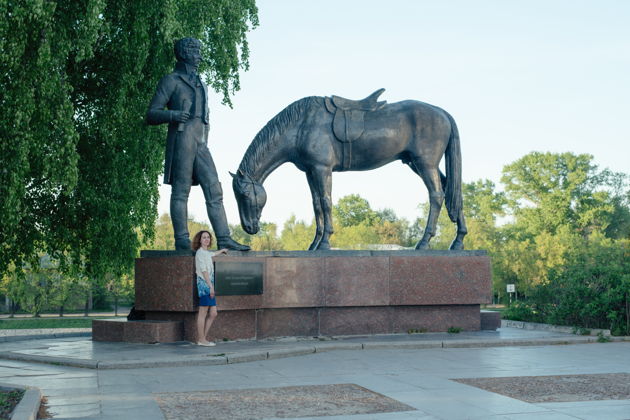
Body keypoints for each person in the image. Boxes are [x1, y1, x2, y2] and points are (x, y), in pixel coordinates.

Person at [146, 37, 250, 251]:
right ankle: (182, 240)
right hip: (182, 139)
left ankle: (224, 238)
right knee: (181, 191)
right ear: (183, 53)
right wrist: (174, 114)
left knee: (214, 189)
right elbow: (151, 114)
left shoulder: (201, 82)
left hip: (201, 143)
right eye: (195, 50)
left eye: (199, 50)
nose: (199, 55)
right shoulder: (171, 80)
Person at [192, 230, 226, 346]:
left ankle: (203, 338)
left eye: (208, 237)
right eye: (204, 237)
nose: (206, 239)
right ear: (200, 240)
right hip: (204, 286)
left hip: (209, 285)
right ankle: (201, 340)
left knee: (213, 313)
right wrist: (210, 286)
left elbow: (213, 254)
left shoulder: (206, 252)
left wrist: (222, 251)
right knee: (203, 313)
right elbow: (204, 270)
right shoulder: (200, 253)